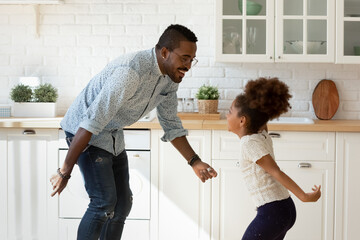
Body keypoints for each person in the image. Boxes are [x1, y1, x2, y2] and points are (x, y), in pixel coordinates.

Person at [49, 24, 218, 240]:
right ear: (165, 52)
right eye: (184, 58)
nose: (188, 66)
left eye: (191, 59)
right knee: (104, 202)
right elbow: (91, 122)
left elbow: (170, 123)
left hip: (112, 131)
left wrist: (195, 161)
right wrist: (65, 171)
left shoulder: (170, 78)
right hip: (85, 130)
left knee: (122, 203)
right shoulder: (131, 72)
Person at [226, 77, 321, 240]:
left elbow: (276, 172)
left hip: (273, 211)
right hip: (283, 209)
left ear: (242, 120)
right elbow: (262, 117)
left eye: (229, 112)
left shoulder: (249, 143)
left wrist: (304, 196)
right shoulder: (262, 134)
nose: (226, 115)